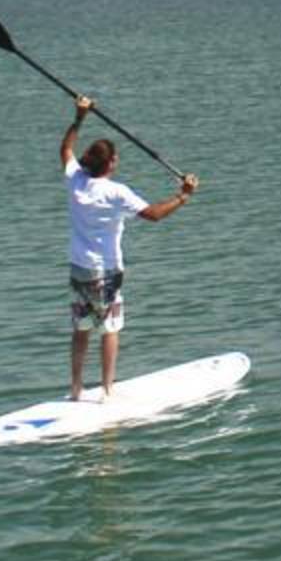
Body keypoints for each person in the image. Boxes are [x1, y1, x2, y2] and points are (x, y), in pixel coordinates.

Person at [61, 95, 198, 400]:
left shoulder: (76, 181)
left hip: (79, 267)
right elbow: (153, 215)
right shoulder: (116, 192)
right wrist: (183, 196)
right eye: (115, 158)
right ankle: (108, 391)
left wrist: (79, 117)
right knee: (110, 328)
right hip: (107, 271)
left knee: (81, 328)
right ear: (110, 164)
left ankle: (75, 390)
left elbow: (66, 150)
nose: (117, 161)